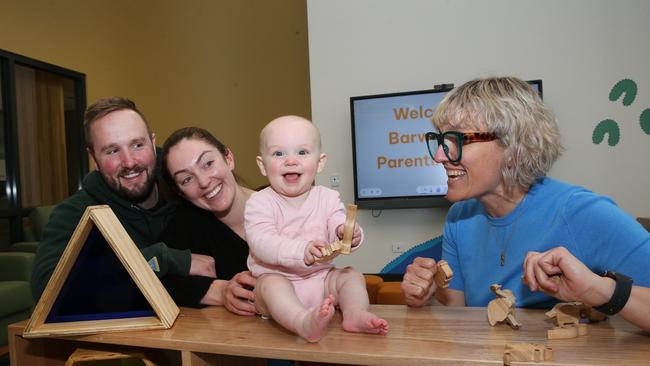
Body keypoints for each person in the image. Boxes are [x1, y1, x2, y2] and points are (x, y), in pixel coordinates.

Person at [400, 76, 650, 331]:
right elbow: (459, 314)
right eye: (441, 140)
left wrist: (598, 289)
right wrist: (427, 296)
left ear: (513, 148)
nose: (440, 155)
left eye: (459, 140)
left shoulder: (583, 213)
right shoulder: (459, 217)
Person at [245, 115, 389, 343]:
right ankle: (302, 322)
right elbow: (261, 242)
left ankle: (354, 313)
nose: (290, 161)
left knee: (351, 275)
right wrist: (300, 250)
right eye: (278, 153)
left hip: (321, 279)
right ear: (263, 165)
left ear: (320, 162)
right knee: (270, 285)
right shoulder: (259, 202)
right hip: (278, 284)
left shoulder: (327, 197)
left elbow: (337, 221)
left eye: (302, 152)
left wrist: (348, 233)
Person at [31, 97, 190, 300]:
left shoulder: (186, 189)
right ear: (94, 158)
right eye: (112, 150)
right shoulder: (76, 214)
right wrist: (162, 260)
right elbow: (48, 290)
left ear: (152, 141)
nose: (129, 162)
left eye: (137, 145)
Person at [159, 127, 257, 315]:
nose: (203, 181)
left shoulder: (285, 204)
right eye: (187, 179)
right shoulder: (183, 227)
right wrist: (220, 291)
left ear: (228, 158)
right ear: (181, 193)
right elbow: (155, 282)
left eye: (208, 163)